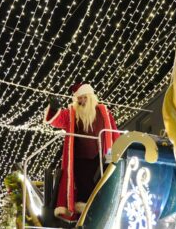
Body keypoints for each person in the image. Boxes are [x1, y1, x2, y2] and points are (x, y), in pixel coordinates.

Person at [43, 83, 120, 220]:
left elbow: (114, 133)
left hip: (100, 157)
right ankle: (83, 212)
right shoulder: (72, 113)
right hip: (79, 158)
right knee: (82, 185)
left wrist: (116, 154)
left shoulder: (104, 112)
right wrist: (54, 109)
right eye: (79, 98)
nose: (81, 101)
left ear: (90, 97)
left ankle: (98, 208)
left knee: (100, 183)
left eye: (84, 98)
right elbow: (58, 120)